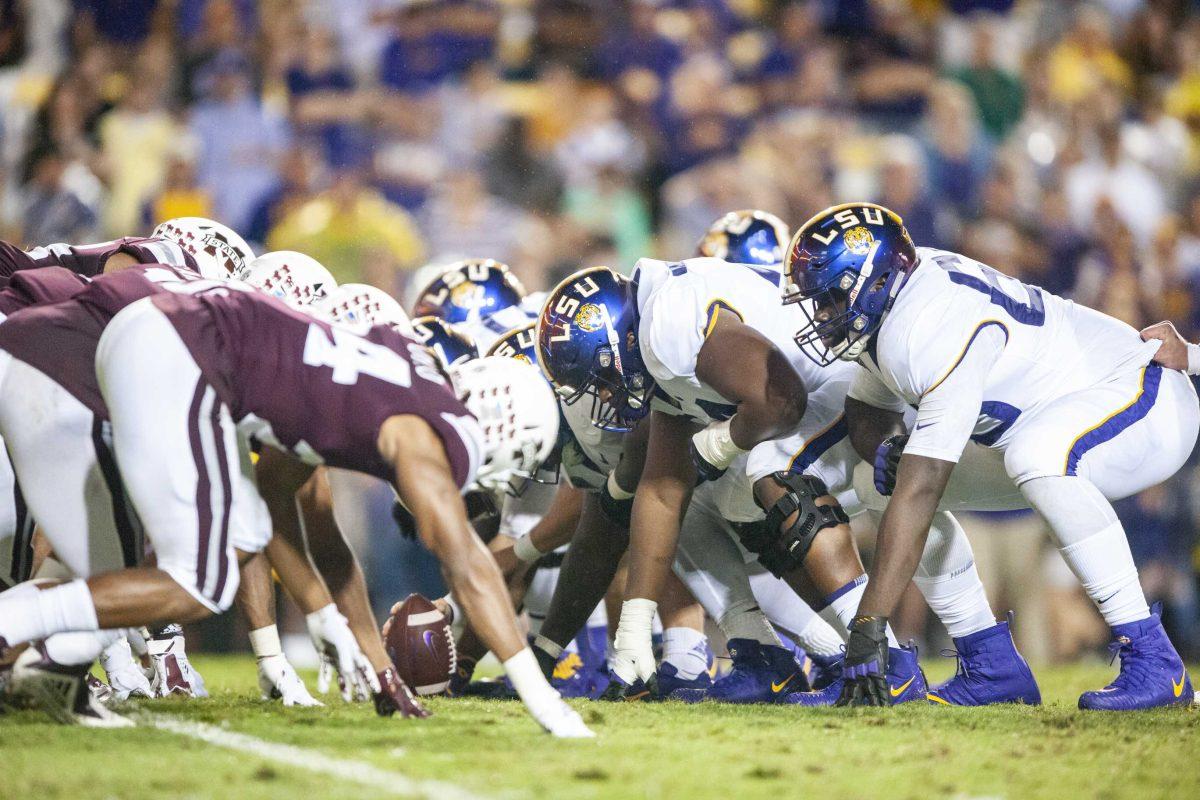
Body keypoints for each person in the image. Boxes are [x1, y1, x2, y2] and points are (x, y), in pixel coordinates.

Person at [0, 273, 591, 736]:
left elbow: (287, 502)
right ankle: (13, 625)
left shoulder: (398, 380)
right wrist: (542, 702)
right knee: (199, 581)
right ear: (501, 430)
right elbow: (465, 561)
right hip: (185, 353)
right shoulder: (431, 432)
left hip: (167, 339)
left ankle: (53, 667)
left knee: (240, 535)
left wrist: (362, 647)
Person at [785, 202, 1196, 710]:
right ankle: (991, 663)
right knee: (877, 478)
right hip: (1049, 421)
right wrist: (886, 448)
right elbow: (867, 413)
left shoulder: (926, 325)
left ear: (873, 282)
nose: (822, 315)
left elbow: (924, 485)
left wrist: (869, 623)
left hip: (1143, 394)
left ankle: (1156, 661)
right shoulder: (896, 301)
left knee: (1033, 455)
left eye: (829, 298)